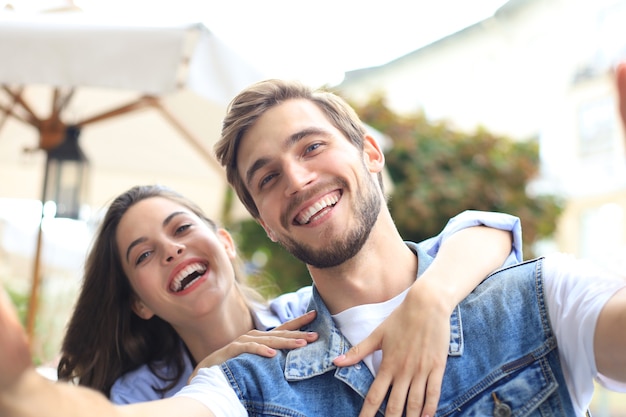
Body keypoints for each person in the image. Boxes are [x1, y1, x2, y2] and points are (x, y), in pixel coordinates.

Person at [2, 79, 625, 417]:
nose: (297, 179)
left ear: (370, 154)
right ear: (265, 226)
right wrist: (20, 391)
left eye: (312, 147)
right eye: (267, 177)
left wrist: (432, 296)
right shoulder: (249, 380)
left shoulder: (535, 295)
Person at [55, 184, 521, 406]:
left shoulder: (308, 317)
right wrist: (206, 382)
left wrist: (431, 298)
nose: (172, 249)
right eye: (143, 256)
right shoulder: (137, 395)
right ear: (139, 303)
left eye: (181, 229)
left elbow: (484, 231)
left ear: (225, 243)